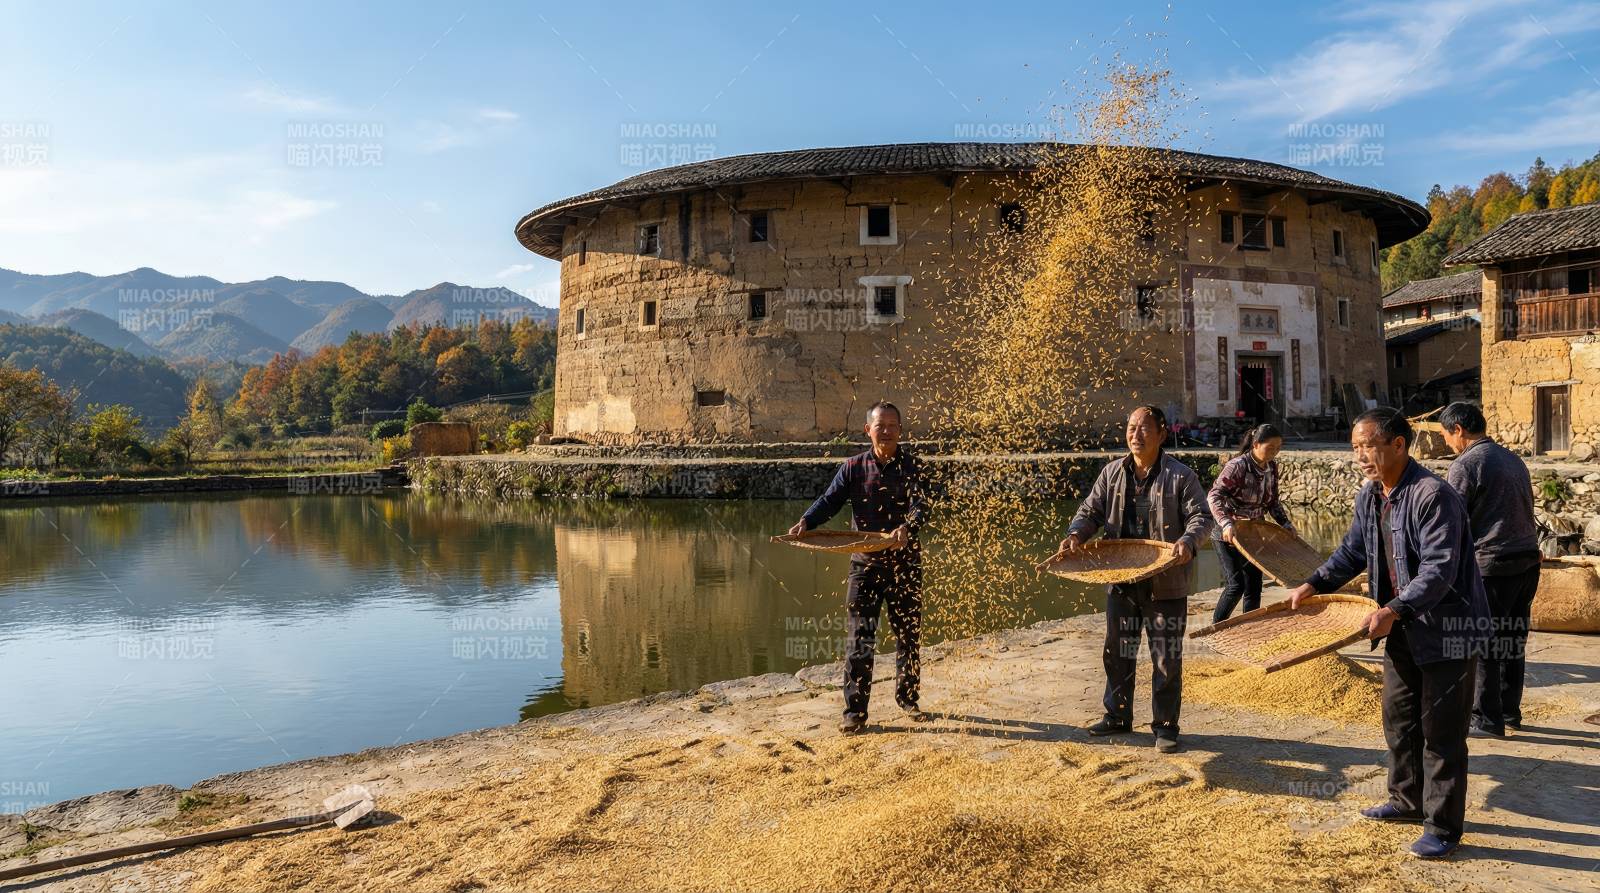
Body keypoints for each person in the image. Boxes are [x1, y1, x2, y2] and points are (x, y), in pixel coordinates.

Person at [1289, 408, 1490, 860]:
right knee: (1399, 720)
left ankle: (1442, 827)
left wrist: (1393, 609)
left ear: (1398, 444)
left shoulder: (1432, 495)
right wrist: (1313, 584)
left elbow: (1439, 569)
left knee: (1441, 732)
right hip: (1402, 626)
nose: (1360, 455)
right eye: (1355, 447)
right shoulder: (1371, 496)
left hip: (1448, 629)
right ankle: (1406, 800)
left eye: (1367, 446)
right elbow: (1351, 552)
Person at [1051, 405, 1212, 753]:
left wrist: (1188, 541)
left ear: (1162, 434)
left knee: (1166, 657)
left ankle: (1165, 726)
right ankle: (1117, 715)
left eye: (1144, 428)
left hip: (1165, 582)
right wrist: (1076, 534)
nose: (1135, 434)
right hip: (1122, 579)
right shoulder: (1112, 473)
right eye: (1131, 427)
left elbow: (1201, 517)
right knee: (1118, 651)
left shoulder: (1180, 476)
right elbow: (1090, 511)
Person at [788, 401, 929, 735]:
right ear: (868, 430)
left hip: (905, 564)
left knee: (908, 636)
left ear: (900, 430)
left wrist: (907, 527)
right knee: (859, 639)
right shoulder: (853, 467)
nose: (887, 431)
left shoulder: (914, 466)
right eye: (881, 425)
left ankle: (908, 700)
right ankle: (855, 712)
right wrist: (807, 521)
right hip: (864, 567)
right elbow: (830, 500)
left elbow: (922, 505)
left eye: (893, 425)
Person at [1439, 401, 1542, 738]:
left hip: (1493, 565)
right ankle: (1510, 712)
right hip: (1527, 561)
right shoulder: (1512, 458)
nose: (1446, 443)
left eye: (1445, 435)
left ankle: (1486, 718)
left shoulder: (1466, 464)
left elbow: (1452, 522)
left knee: (1483, 643)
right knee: (1512, 640)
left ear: (1458, 429)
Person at [1207, 423, 1294, 623]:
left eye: (1278, 448)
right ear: (1255, 445)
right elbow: (1214, 495)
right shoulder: (1237, 466)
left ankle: (1250, 629)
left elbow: (1272, 502)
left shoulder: (1271, 467)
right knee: (1235, 585)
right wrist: (1226, 523)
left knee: (1254, 586)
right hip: (1228, 532)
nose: (1274, 452)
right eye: (1270, 448)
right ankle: (1216, 628)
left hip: (1254, 534)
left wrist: (1286, 524)